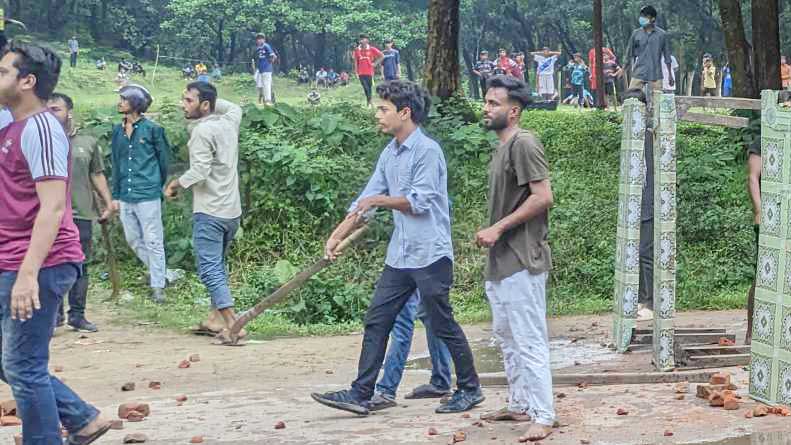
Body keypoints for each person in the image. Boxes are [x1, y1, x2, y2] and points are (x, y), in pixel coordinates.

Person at [311, 80, 483, 416]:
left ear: (405, 113)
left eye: (383, 109)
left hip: (430, 255)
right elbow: (365, 201)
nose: (378, 115)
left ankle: (470, 388)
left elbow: (418, 202)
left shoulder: (428, 151)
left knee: (441, 321)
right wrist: (336, 235)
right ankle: (361, 392)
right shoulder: (389, 154)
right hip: (401, 255)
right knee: (378, 319)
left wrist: (379, 200)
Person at [0, 40, 112, 445]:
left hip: (40, 263)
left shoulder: (43, 128)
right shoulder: (12, 126)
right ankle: (81, 419)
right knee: (10, 361)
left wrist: (28, 275)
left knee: (24, 366)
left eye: (3, 72)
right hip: (15, 260)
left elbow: (51, 209)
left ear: (27, 81)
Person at [478, 75, 555, 442]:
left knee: (529, 339)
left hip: (522, 258)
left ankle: (543, 414)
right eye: (486, 101)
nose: (486, 108)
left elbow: (542, 197)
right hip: (501, 261)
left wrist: (499, 228)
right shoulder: (502, 147)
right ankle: (520, 403)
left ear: (514, 111)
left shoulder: (524, 143)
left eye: (493, 103)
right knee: (507, 337)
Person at [165, 82, 243, 339]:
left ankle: (233, 324)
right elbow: (233, 107)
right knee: (217, 265)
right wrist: (208, 98)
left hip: (210, 211)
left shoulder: (202, 131)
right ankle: (214, 319)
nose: (182, 105)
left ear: (205, 105)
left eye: (188, 100)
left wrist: (176, 184)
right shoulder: (230, 121)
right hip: (231, 212)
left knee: (209, 268)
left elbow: (199, 172)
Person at [48, 92, 113, 333]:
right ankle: (54, 316)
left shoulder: (88, 142)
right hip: (48, 214)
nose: (51, 114)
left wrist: (108, 203)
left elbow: (96, 174)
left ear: (69, 112)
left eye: (56, 109)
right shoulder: (42, 140)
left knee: (80, 265)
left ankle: (77, 314)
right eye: (48, 110)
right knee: (50, 266)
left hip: (81, 213)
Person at [110, 84, 170, 304]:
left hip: (147, 194)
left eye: (123, 99)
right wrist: (115, 195)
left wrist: (156, 186)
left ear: (135, 103)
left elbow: (164, 163)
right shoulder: (117, 131)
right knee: (133, 239)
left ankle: (158, 286)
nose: (119, 102)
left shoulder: (153, 130)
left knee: (154, 240)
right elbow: (116, 164)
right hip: (125, 194)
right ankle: (162, 273)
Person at [366, 290, 453, 411]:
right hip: (430, 273)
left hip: (407, 272)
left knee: (402, 322)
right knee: (433, 314)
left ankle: (386, 390)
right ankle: (441, 382)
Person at [624, 5, 673, 93]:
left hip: (655, 73)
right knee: (632, 98)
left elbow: (667, 56)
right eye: (641, 16)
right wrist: (623, 69)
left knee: (657, 101)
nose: (642, 18)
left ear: (653, 19)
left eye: (645, 16)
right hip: (639, 72)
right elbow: (629, 53)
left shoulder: (662, 35)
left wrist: (670, 75)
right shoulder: (636, 34)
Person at [353, 35, 384, 107]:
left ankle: (369, 101)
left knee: (369, 87)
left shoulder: (371, 49)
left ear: (367, 40)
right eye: (360, 39)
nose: (361, 41)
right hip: (361, 72)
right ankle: (369, 101)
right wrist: (356, 72)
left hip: (369, 71)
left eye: (363, 39)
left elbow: (382, 56)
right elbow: (355, 62)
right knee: (365, 87)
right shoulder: (357, 50)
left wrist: (375, 64)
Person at [253, 34, 277, 105]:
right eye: (258, 39)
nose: (259, 40)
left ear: (264, 39)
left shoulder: (266, 46)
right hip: (260, 69)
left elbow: (273, 56)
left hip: (266, 69)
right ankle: (264, 98)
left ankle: (268, 100)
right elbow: (256, 59)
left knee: (266, 85)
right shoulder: (258, 48)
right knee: (259, 85)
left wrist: (270, 62)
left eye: (261, 39)